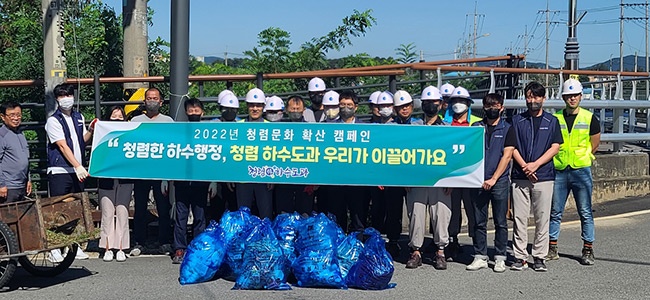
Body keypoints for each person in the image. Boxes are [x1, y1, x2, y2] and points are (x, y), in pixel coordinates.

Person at [547, 78, 601, 266]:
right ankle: (552, 247)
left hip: (581, 170)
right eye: (569, 96)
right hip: (560, 168)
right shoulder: (556, 118)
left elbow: (595, 143)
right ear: (563, 97)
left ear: (580, 96)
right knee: (555, 211)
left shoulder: (589, 118)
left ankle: (588, 249)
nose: (572, 99)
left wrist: (584, 156)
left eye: (575, 95)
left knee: (585, 211)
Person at [510, 81, 563, 272]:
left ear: (543, 99)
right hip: (520, 175)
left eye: (536, 97)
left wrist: (536, 165)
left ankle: (539, 256)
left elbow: (555, 147)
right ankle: (520, 256)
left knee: (542, 218)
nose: (532, 100)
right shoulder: (517, 120)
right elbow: (512, 147)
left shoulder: (552, 121)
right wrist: (525, 166)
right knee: (519, 218)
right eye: (529, 96)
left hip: (544, 176)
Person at [465, 93, 515, 273]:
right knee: (479, 221)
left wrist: (493, 178)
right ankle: (480, 256)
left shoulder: (508, 128)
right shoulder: (476, 127)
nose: (492, 109)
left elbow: (507, 155)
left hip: (499, 181)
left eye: (495, 105)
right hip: (477, 181)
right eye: (488, 105)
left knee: (501, 221)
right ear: (483, 107)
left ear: (502, 107)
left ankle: (500, 257)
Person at [405, 87, 451, 270]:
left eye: (434, 102)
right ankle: (416, 251)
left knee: (441, 216)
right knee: (415, 215)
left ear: (440, 104)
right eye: (426, 102)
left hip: (441, 181)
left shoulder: (448, 130)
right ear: (422, 105)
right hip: (417, 180)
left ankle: (440, 252)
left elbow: (453, 158)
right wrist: (405, 180)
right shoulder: (412, 128)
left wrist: (452, 182)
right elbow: (405, 155)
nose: (430, 105)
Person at [45, 83, 93, 261]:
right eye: (62, 96)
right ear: (57, 99)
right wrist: (77, 166)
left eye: (69, 95)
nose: (67, 99)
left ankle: (73, 246)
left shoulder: (78, 116)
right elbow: (62, 146)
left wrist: (90, 131)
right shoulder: (53, 120)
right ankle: (54, 249)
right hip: (60, 170)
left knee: (74, 209)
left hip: (76, 170)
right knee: (58, 209)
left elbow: (81, 141)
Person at [130, 87, 174, 256]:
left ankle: (164, 241)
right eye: (149, 98)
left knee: (163, 207)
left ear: (161, 102)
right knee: (140, 207)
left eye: (155, 98)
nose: (152, 101)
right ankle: (139, 242)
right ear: (144, 101)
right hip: (141, 172)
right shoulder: (135, 121)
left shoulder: (168, 121)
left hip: (161, 172)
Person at [172, 98, 211, 264]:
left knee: (200, 217)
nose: (193, 113)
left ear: (202, 112)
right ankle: (179, 249)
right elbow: (171, 154)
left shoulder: (208, 132)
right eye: (190, 110)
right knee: (180, 216)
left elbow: (213, 157)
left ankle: (197, 247)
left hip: (201, 181)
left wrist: (213, 181)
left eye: (196, 110)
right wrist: (167, 178)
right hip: (181, 180)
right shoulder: (179, 131)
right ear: (186, 112)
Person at [444, 86, 479, 262]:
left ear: (468, 104)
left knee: (473, 209)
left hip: (472, 174)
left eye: (462, 101)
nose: (458, 105)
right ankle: (453, 241)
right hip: (451, 175)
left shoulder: (477, 123)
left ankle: (476, 243)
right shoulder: (445, 125)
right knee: (452, 210)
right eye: (455, 102)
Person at [98, 106, 132, 262]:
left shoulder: (130, 134)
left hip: (125, 178)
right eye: (114, 116)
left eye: (120, 117)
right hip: (106, 178)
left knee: (123, 212)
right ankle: (107, 247)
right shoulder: (103, 135)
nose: (117, 119)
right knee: (107, 213)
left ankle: (121, 247)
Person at [236, 88, 274, 219]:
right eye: (252, 105)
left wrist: (272, 175)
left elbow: (275, 152)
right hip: (242, 176)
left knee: (265, 213)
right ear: (247, 106)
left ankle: (265, 238)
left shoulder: (271, 127)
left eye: (258, 105)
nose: (255, 108)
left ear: (263, 107)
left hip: (263, 176)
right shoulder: (238, 125)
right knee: (243, 213)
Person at [275, 95, 315, 215]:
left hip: (305, 179)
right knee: (284, 215)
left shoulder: (312, 130)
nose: (295, 111)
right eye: (292, 109)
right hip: (284, 178)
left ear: (304, 110)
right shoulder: (279, 130)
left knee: (305, 216)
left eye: (298, 108)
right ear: (287, 110)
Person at [209, 90, 240, 221]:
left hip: (235, 176)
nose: (229, 111)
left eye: (233, 109)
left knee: (234, 209)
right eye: (226, 108)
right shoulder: (212, 126)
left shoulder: (241, 127)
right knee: (217, 209)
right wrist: (213, 180)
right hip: (217, 175)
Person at [0, 102, 31, 203]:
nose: (16, 118)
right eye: (12, 115)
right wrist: (1, 185)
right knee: (7, 217)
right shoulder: (2, 135)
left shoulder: (20, 134)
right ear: (3, 117)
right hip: (8, 187)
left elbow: (26, 158)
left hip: (22, 185)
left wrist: (28, 179)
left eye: (18, 115)